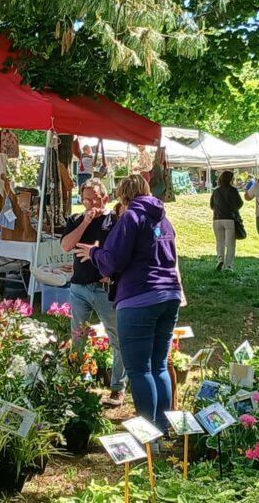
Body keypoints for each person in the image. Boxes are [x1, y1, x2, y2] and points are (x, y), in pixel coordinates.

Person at [75, 174, 183, 433]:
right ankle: (163, 427)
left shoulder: (131, 218)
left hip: (139, 298)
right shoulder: (163, 219)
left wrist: (93, 252)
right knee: (159, 365)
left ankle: (149, 433)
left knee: (139, 369)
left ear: (123, 195)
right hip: (169, 296)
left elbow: (115, 260)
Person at [61, 178, 127, 406]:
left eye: (94, 199)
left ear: (105, 199)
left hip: (103, 289)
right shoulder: (76, 220)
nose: (90, 204)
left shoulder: (115, 221)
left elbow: (121, 252)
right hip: (79, 287)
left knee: (117, 338)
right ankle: (77, 382)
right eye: (85, 199)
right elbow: (66, 246)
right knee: (77, 337)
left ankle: (118, 387)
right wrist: (84, 223)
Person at [210, 171, 243, 272]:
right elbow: (240, 203)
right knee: (230, 243)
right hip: (230, 219)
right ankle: (228, 266)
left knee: (220, 241)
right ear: (231, 179)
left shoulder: (216, 191)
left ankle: (220, 259)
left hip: (217, 219)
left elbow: (211, 205)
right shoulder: (233, 190)